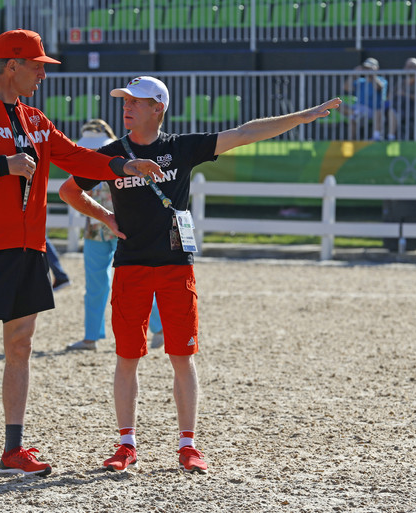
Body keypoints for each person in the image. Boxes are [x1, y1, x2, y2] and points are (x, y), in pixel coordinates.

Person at [0, 29, 162, 481]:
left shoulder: (36, 118)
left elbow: (77, 158)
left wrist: (125, 165)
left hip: (30, 252)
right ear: (12, 65)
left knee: (20, 347)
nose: (44, 73)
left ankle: (12, 448)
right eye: (38, 65)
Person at [59, 76, 341, 474]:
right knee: (127, 357)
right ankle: (126, 445)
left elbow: (245, 132)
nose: (126, 106)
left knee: (181, 356)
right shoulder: (111, 154)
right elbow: (69, 190)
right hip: (131, 266)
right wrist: (105, 216)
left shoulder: (180, 147)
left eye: (136, 101)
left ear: (158, 107)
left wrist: (303, 116)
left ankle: (188, 446)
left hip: (176, 267)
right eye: (124, 100)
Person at [64, 119, 163, 352]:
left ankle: (159, 330)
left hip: (122, 227)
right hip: (97, 228)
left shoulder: (122, 159)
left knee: (140, 280)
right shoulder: (90, 162)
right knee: (96, 284)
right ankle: (91, 337)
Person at [339, 57, 388, 140]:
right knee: (338, 105)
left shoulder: (381, 80)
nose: (367, 70)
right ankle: (352, 141)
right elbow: (346, 87)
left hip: (372, 110)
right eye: (366, 68)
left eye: (370, 67)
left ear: (377, 68)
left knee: (377, 111)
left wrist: (372, 75)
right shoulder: (360, 81)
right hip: (358, 109)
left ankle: (376, 136)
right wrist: (353, 75)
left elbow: (378, 87)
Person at [386, 57, 416, 140]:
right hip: (399, 109)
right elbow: (389, 97)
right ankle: (389, 137)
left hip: (414, 112)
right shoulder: (401, 82)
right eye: (408, 66)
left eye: (412, 66)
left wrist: (406, 94)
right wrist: (396, 94)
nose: (409, 68)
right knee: (389, 110)